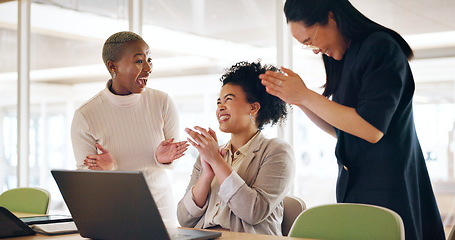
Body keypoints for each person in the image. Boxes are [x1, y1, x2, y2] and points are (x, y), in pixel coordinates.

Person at [259, 0, 445, 239]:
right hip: (355, 185)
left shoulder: (381, 47)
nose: (314, 49)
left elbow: (371, 129)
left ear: (331, 17)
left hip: (388, 185)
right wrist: (300, 100)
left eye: (310, 40)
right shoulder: (343, 58)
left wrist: (306, 95)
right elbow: (343, 129)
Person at [70, 31, 188, 227]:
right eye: (139, 61)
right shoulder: (86, 115)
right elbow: (85, 180)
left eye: (149, 60)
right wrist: (107, 172)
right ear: (112, 66)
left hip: (162, 213)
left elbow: (172, 162)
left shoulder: (162, 102)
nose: (149, 68)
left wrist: (160, 159)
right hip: (114, 213)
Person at [177, 61, 295, 235]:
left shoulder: (277, 151)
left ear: (253, 107)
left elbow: (254, 211)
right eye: (218, 102)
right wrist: (207, 175)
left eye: (228, 100)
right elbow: (184, 218)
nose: (220, 107)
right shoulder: (210, 153)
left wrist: (216, 162)